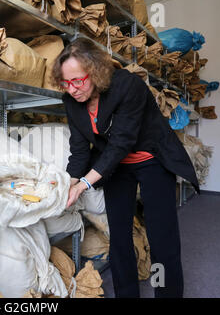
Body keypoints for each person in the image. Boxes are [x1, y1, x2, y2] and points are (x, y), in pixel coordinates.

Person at [51, 38, 199, 298]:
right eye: (66, 83)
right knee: (119, 236)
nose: (72, 89)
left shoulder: (128, 86)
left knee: (161, 236)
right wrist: (68, 184)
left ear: (95, 71)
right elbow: (80, 150)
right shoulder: (71, 102)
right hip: (115, 167)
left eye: (78, 81)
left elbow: (121, 143)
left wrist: (84, 184)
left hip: (152, 159)